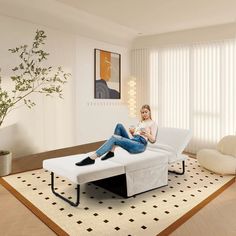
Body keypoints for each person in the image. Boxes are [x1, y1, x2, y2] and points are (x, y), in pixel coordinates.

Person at [75, 104, 158, 166]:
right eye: (142, 112)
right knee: (119, 125)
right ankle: (111, 152)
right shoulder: (140, 122)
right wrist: (132, 133)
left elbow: (153, 140)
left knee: (115, 138)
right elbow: (135, 136)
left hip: (140, 145)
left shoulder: (152, 123)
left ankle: (92, 158)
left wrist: (147, 134)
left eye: (146, 112)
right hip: (134, 141)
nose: (144, 114)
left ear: (150, 112)